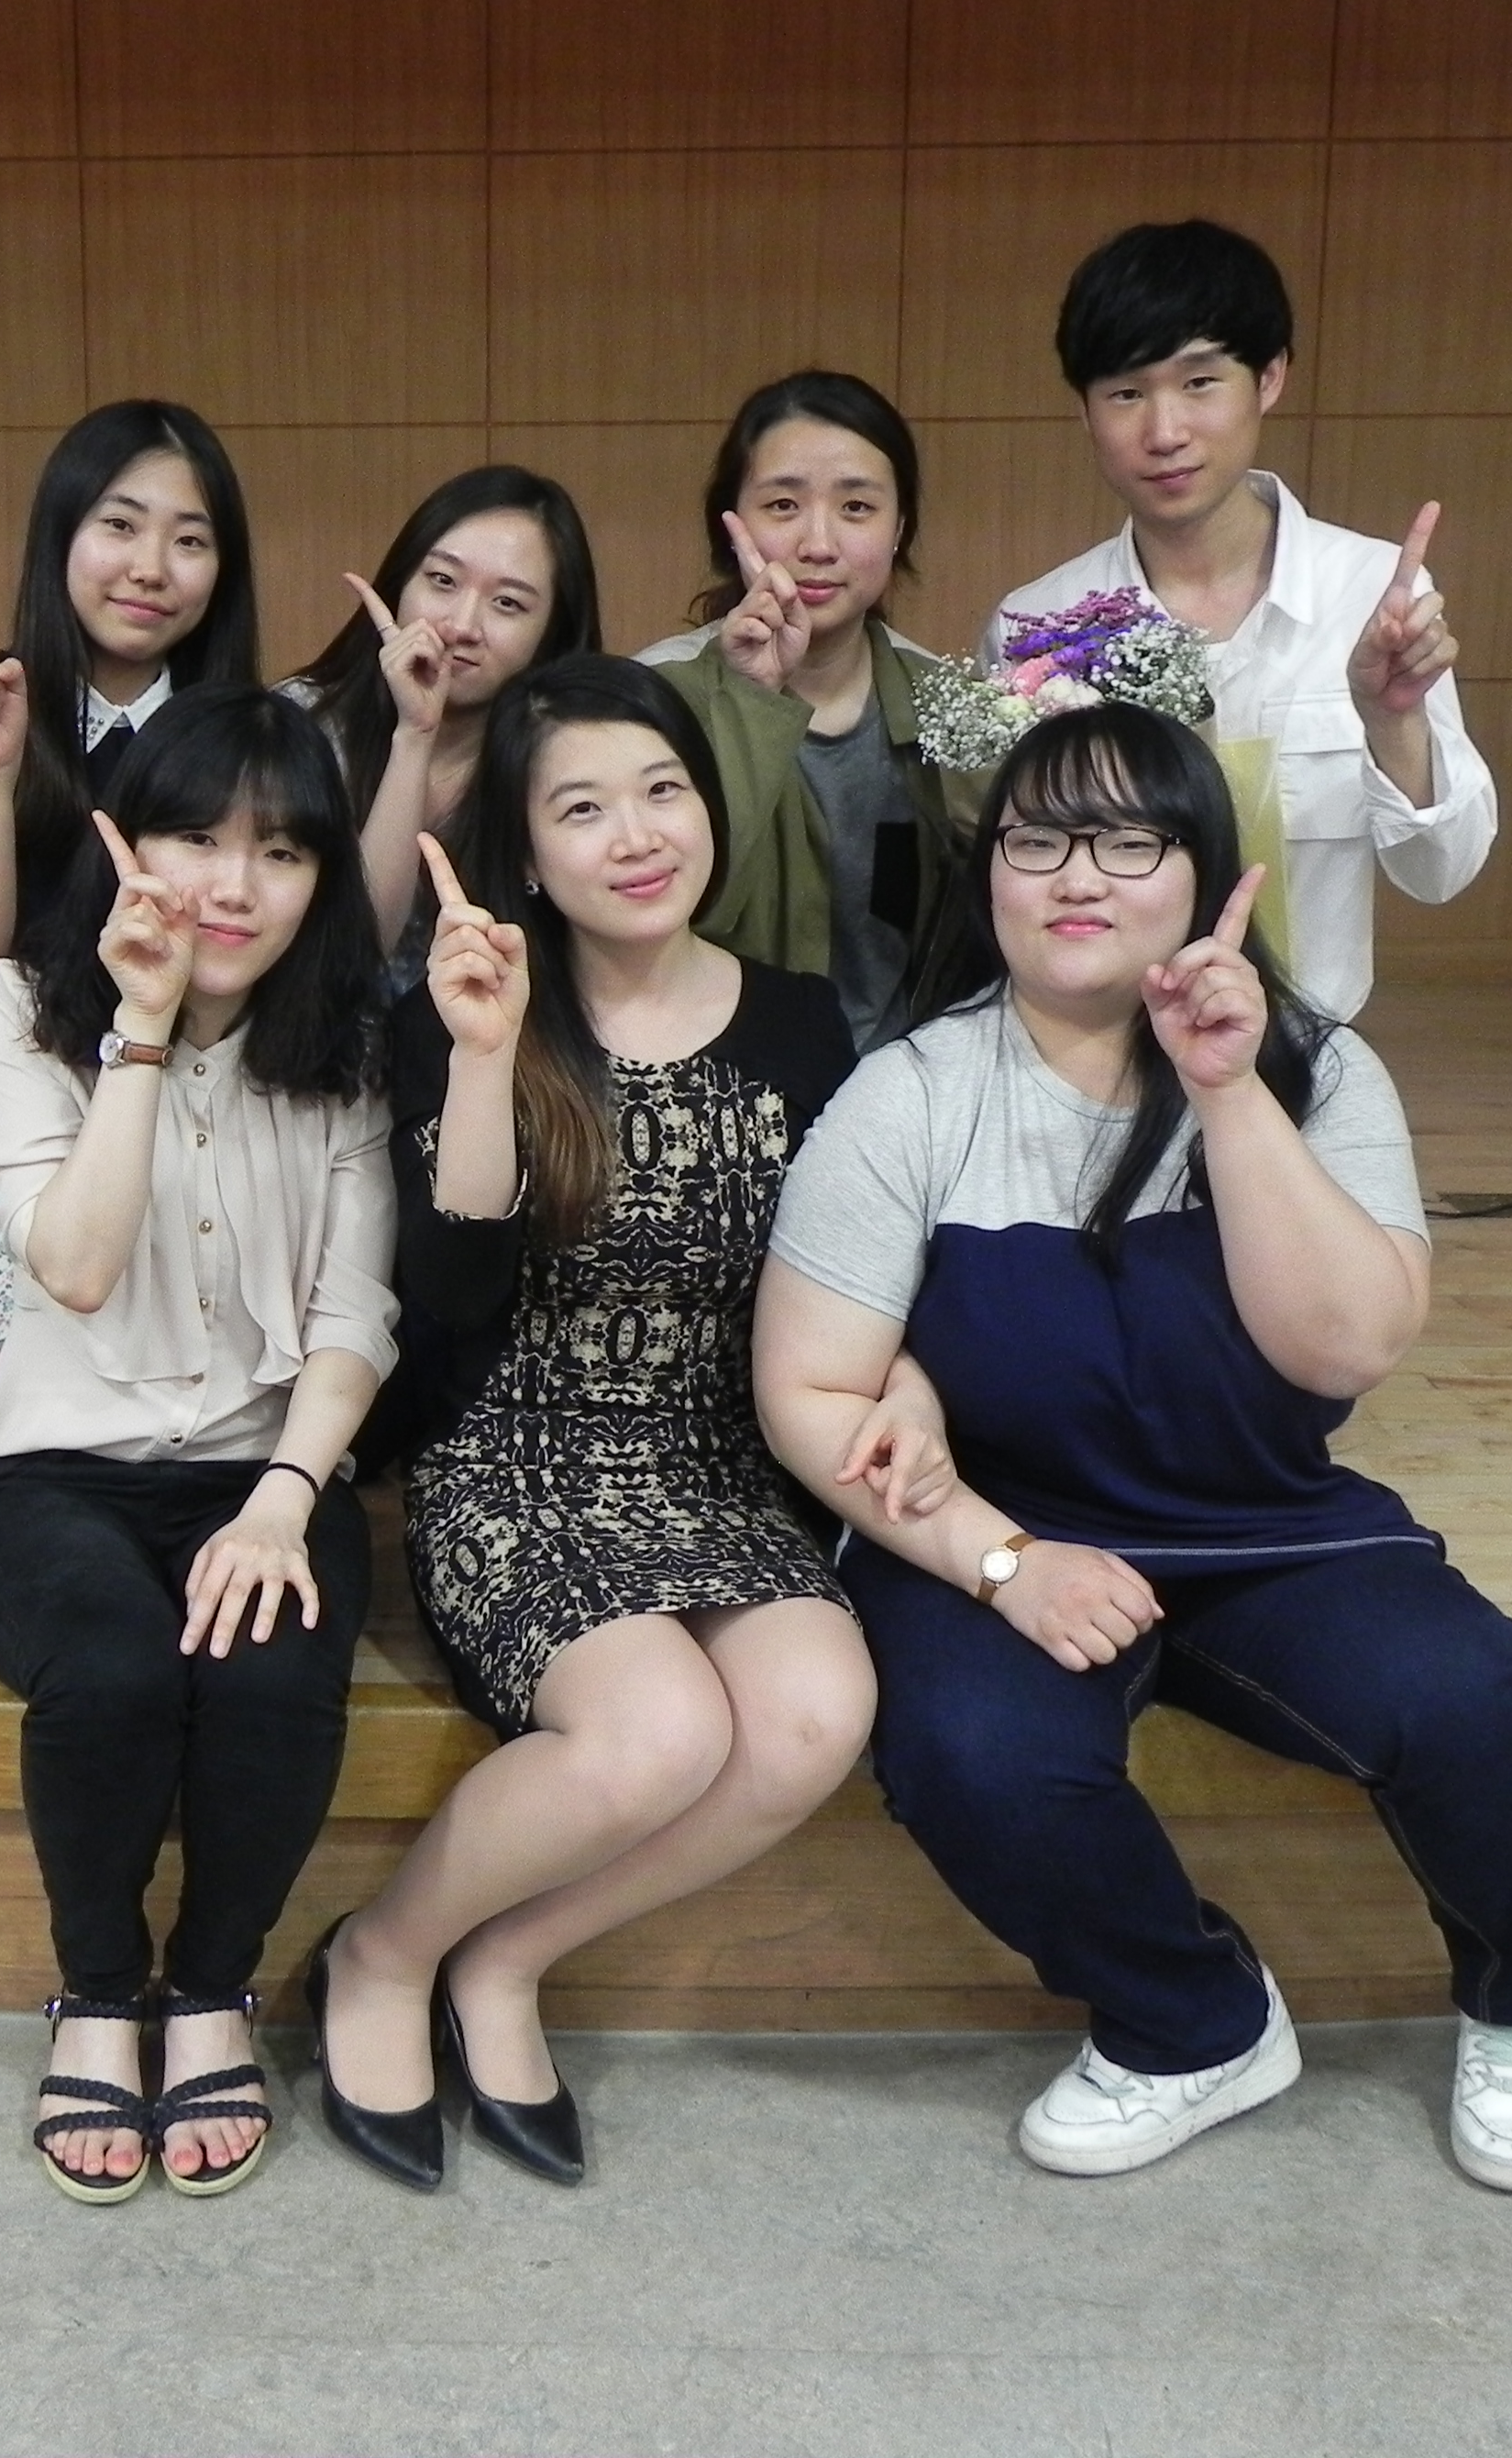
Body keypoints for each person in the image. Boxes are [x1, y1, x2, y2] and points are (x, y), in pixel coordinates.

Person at [753, 702, 1512, 2194]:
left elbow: (1345, 1347)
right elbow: (809, 1390)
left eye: (1127, 840)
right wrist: (1004, 1562)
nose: (1075, 875)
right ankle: (1194, 2023)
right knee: (974, 1754)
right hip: (1005, 1522)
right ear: (989, 873)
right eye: (1037, 839)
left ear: (1204, 870)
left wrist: (1227, 1090)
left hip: (1262, 1518)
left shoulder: (1314, 1071)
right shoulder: (911, 1091)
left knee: (1472, 1698)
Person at [308, 655, 888, 2193]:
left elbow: (848, 1270)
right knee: (660, 1731)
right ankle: (379, 1954)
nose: (634, 835)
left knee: (816, 1713)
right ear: (525, 847)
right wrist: (485, 1059)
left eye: (661, 791)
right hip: (518, 1455)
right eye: (581, 808)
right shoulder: (464, 1012)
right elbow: (448, 1300)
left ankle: (506, 1958)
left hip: (718, 1461)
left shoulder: (800, 1021)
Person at [0, 683, 397, 2205]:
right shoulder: (27, 1008)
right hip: (50, 1471)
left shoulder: (342, 1041)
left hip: (266, 1468)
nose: (231, 884)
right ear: (125, 841)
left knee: (271, 1676)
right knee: (115, 1668)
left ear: (321, 878)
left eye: (280, 851)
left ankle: (209, 1987)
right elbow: (71, 1268)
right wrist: (140, 1030)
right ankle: (94, 1992)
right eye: (195, 837)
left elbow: (351, 1316)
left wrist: (283, 1501)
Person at [992, 217, 1493, 1023]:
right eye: (1126, 393)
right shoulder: (1040, 625)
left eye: (1200, 383)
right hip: (1104, 1044)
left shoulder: (1370, 594)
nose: (1165, 433)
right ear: (1084, 410)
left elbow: (1443, 872)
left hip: (1304, 1046)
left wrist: (1392, 723)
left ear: (1269, 377)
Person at [0, 401, 260, 1400]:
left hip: (188, 1110)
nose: (150, 567)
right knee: (44, 1426)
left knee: (186, 1427)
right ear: (61, 534)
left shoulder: (239, 740)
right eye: (120, 525)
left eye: (190, 541)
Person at [637, 370, 966, 1053]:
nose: (818, 544)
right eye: (783, 505)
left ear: (900, 528)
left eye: (857, 507)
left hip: (899, 1075)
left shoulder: (946, 700)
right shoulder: (654, 695)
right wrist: (750, 703)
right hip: (717, 1070)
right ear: (730, 523)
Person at [277, 463, 601, 969]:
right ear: (400, 582)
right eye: (442, 580)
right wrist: (415, 735)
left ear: (553, 632)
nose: (461, 625)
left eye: (508, 603)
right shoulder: (300, 722)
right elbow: (356, 955)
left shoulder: (569, 759)